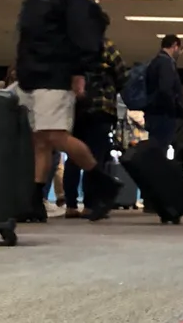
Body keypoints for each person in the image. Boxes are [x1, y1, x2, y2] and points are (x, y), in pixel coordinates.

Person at [15, 0, 121, 222]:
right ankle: (35, 201)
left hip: (56, 74)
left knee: (56, 135)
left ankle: (102, 181)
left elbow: (83, 33)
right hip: (33, 76)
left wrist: (80, 71)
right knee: (40, 140)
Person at [63, 12, 129, 219]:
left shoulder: (74, 47)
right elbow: (122, 76)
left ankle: (71, 204)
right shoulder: (107, 47)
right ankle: (91, 205)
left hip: (77, 108)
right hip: (101, 109)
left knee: (73, 156)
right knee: (95, 157)